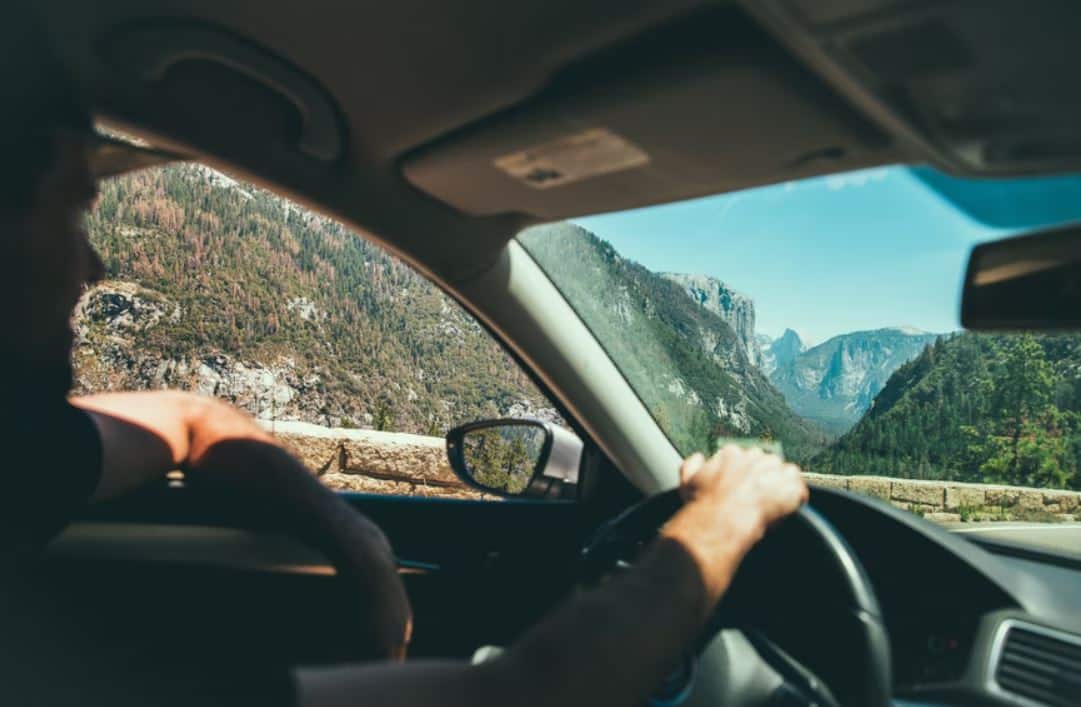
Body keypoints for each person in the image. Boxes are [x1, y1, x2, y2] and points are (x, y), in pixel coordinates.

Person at [0, 6, 808, 706]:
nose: (94, 265)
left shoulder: (23, 454)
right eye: (72, 209)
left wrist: (361, 542)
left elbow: (193, 417)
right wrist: (728, 510)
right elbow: (528, 695)